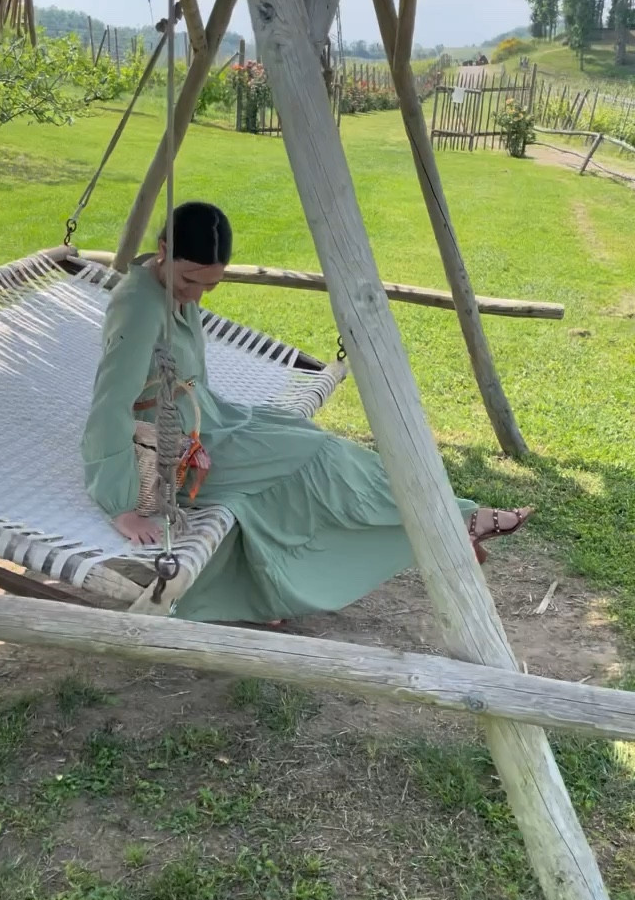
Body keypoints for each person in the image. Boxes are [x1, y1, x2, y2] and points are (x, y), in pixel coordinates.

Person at [81, 202, 531, 626]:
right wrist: (122, 506)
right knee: (317, 455)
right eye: (189, 282)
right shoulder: (140, 307)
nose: (196, 296)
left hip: (209, 420)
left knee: (303, 435)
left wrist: (183, 296)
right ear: (164, 251)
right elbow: (111, 402)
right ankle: (452, 521)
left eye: (209, 286)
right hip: (178, 452)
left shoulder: (169, 286)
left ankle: (436, 521)